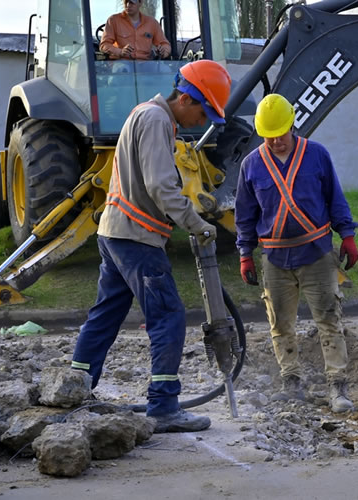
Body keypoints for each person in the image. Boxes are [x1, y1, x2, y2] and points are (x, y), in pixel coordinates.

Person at [71, 60, 232, 433]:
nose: (201, 121)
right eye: (203, 111)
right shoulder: (158, 121)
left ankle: (76, 389)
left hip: (115, 233)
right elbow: (162, 187)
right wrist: (197, 224)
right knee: (168, 316)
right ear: (188, 98)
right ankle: (163, 405)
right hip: (136, 238)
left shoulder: (146, 115)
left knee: (105, 315)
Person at [234, 93, 358, 413]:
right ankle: (291, 382)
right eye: (268, 136)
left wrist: (347, 235)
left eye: (281, 133)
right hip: (275, 259)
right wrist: (245, 253)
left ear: (293, 124)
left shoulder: (316, 155)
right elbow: (245, 215)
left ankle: (337, 386)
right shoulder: (251, 165)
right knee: (280, 323)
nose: (276, 141)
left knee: (328, 319)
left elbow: (335, 198)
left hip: (316, 253)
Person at [100, 0, 171, 60]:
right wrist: (120, 52)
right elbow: (104, 45)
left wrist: (164, 51)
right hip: (122, 61)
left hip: (145, 63)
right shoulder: (113, 20)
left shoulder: (152, 23)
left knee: (165, 70)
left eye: (131, 2)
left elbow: (165, 44)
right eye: (126, 2)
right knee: (122, 69)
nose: (128, 5)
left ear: (140, 3)